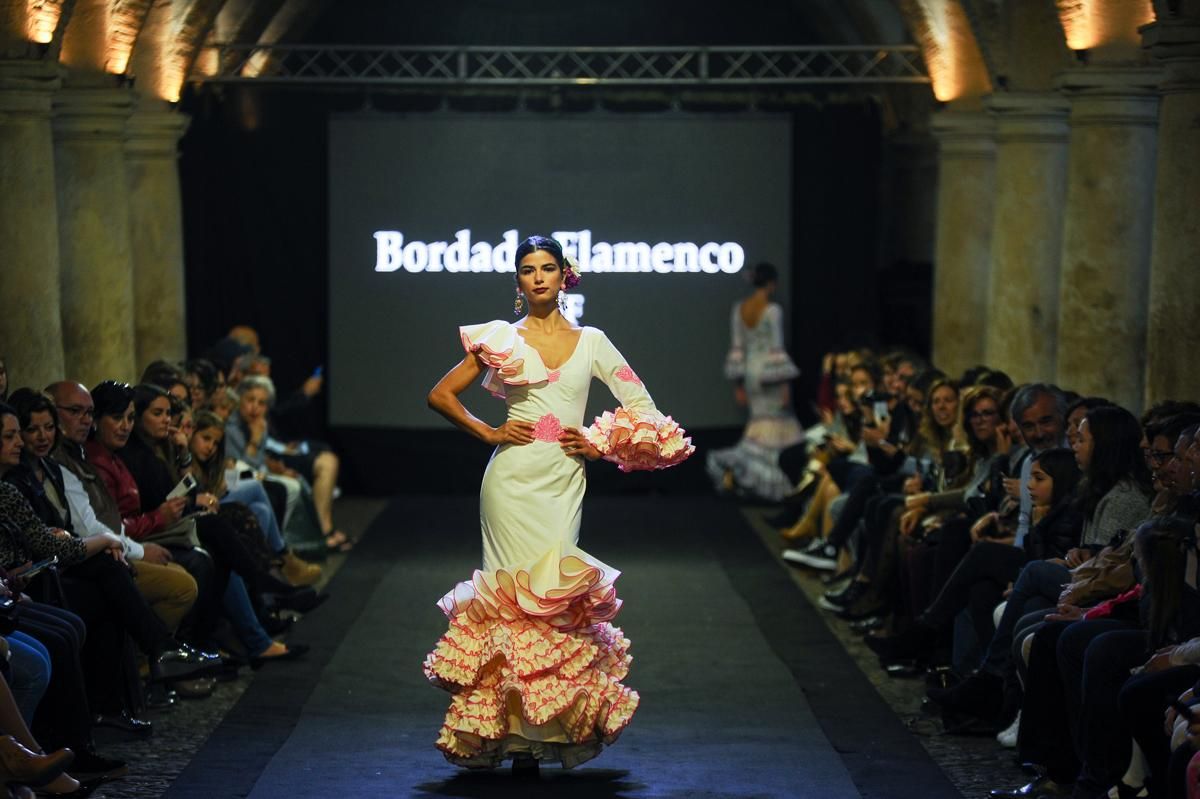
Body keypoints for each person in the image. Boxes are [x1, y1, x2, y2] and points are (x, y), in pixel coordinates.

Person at [423, 235, 693, 774]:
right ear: (518, 281)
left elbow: (641, 405)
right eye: (527, 269)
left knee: (552, 597)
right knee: (510, 601)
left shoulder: (592, 340)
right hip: (510, 482)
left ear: (564, 275)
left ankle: (544, 727)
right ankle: (516, 738)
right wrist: (487, 432)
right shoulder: (501, 337)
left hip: (563, 479)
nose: (538, 277)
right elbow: (440, 394)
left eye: (547, 267)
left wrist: (597, 443)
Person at [706, 262, 802, 501]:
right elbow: (776, 346)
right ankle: (777, 488)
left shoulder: (740, 309)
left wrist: (738, 384)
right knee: (778, 427)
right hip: (771, 371)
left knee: (760, 424)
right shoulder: (773, 310)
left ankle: (756, 480)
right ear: (772, 283)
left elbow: (737, 347)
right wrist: (785, 384)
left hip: (750, 371)